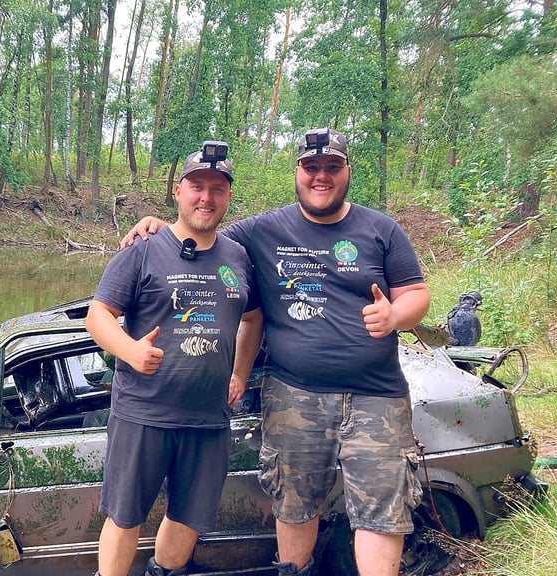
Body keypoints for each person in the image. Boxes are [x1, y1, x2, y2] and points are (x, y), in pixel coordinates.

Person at [122, 129, 431, 576]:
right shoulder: (262, 230)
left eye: (332, 167)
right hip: (293, 394)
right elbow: (200, 234)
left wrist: (396, 316)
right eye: (311, 167)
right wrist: (157, 227)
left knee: (381, 512)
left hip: (376, 396)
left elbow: (417, 295)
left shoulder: (381, 229)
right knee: (294, 504)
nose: (320, 176)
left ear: (347, 171)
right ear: (298, 173)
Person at [87, 142, 262, 576]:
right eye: (197, 186)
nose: (206, 197)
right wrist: (130, 350)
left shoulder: (238, 256)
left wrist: (239, 372)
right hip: (143, 411)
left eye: (217, 189)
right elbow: (98, 315)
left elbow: (253, 319)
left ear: (228, 198)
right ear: (178, 191)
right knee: (125, 516)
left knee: (189, 518)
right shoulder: (143, 247)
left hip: (208, 417)